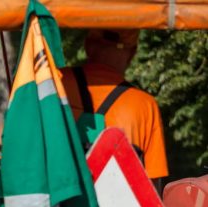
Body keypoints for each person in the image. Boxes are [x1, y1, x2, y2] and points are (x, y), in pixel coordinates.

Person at [59, 29, 168, 184]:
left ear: (87, 45)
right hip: (119, 206)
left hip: (59, 203)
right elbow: (153, 186)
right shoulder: (146, 105)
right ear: (132, 53)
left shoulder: (54, 84)